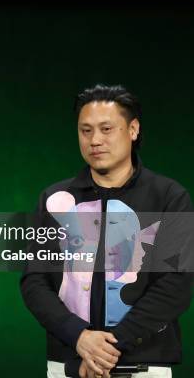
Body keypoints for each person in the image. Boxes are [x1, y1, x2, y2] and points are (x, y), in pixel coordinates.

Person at [20, 84, 192, 378]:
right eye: (85, 131)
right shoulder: (54, 199)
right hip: (68, 366)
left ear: (133, 129)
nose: (95, 140)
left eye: (106, 128)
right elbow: (34, 281)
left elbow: (176, 285)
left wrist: (106, 348)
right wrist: (79, 337)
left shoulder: (169, 196)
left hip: (144, 368)